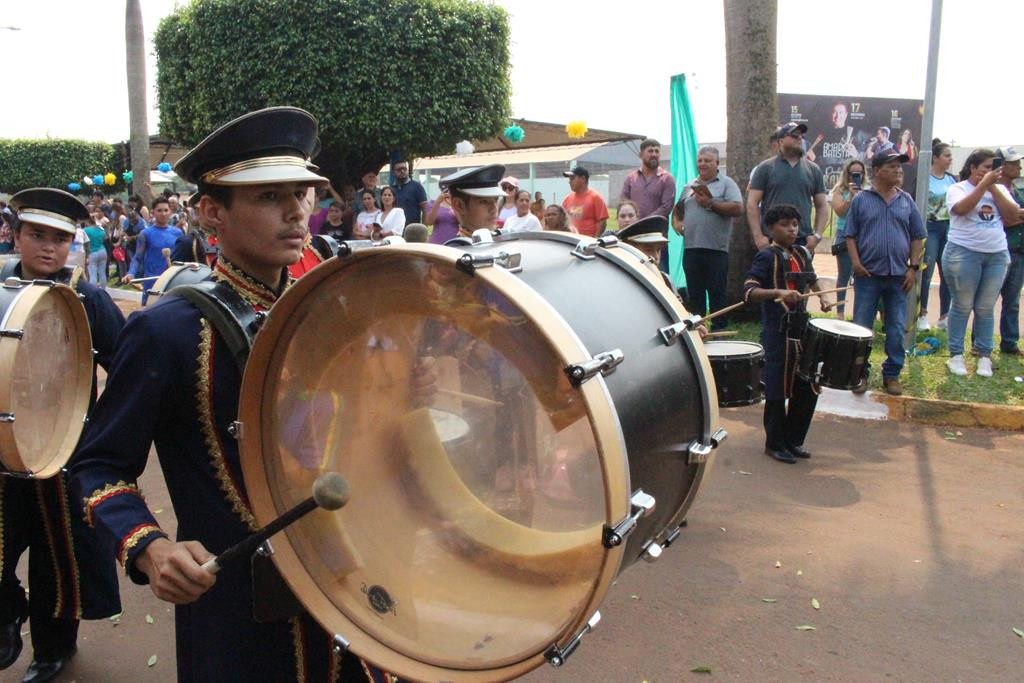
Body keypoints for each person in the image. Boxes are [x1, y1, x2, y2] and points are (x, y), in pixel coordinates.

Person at [69, 106, 399, 682]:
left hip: (354, 579)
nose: (297, 211)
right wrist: (150, 547)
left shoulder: (332, 312)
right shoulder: (166, 331)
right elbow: (98, 466)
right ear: (211, 211)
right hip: (241, 619)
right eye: (270, 196)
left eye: (302, 193)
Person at [1, 188, 123, 683]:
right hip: (2, 448)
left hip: (63, 452)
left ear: (74, 243)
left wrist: (98, 431)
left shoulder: (89, 299)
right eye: (37, 235)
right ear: (17, 235)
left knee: (59, 557)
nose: (48, 247)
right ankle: (9, 610)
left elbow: (125, 366)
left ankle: (53, 649)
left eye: (60, 239)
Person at [743, 204, 834, 464]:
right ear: (771, 229)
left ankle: (792, 440)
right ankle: (774, 443)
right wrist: (777, 293)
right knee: (777, 387)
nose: (792, 229)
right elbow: (749, 291)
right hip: (777, 331)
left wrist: (823, 297)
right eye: (785, 224)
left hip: (801, 328)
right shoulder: (766, 256)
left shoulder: (802, 253)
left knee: (805, 385)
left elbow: (812, 278)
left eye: (795, 224)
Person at [844, 150, 926, 395]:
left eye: (900, 167)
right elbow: (850, 235)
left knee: (895, 327)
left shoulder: (906, 201)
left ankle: (892, 374)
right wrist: (856, 264)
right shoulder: (861, 199)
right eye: (892, 167)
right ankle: (860, 373)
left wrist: (913, 269)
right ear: (877, 170)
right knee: (861, 327)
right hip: (867, 276)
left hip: (899, 278)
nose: (898, 171)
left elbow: (917, 237)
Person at [943, 149, 1016, 377]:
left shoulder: (1000, 189)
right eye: (985, 167)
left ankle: (984, 356)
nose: (989, 171)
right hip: (963, 254)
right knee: (962, 304)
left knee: (985, 307)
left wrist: (993, 187)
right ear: (973, 168)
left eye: (993, 168)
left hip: (996, 255)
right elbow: (961, 209)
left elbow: (1012, 216)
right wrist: (983, 186)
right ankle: (956, 355)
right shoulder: (957, 188)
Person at [673, 146, 743, 322]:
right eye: (700, 160)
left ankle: (719, 330)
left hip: (716, 250)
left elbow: (738, 208)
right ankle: (698, 330)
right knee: (694, 295)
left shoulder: (727, 184)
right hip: (691, 249)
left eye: (708, 161)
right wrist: (677, 222)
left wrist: (711, 203)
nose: (703, 164)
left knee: (717, 293)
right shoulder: (689, 186)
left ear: (717, 163)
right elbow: (678, 209)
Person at [747, 123, 828, 251]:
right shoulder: (765, 168)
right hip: (772, 240)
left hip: (802, 239)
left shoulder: (813, 169)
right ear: (781, 141)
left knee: (801, 271)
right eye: (794, 135)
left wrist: (816, 236)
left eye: (802, 135)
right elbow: (752, 203)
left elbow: (822, 205)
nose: (799, 138)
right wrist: (758, 237)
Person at [920, 139, 956, 331]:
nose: (950, 159)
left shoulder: (951, 179)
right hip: (930, 228)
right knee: (926, 273)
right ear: (935, 158)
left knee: (947, 274)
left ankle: (944, 316)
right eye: (947, 156)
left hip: (948, 228)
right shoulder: (925, 178)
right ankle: (922, 315)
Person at [123, 196, 184, 304]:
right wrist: (131, 273)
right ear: (153, 213)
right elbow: (137, 258)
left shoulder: (178, 233)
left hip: (173, 281)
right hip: (153, 282)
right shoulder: (145, 234)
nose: (163, 214)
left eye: (166, 210)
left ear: (170, 212)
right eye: (159, 210)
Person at [829, 158, 869, 320]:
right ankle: (840, 312)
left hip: (863, 236)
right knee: (844, 275)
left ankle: (860, 313)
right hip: (844, 235)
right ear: (847, 174)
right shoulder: (839, 190)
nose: (856, 177)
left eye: (859, 173)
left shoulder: (868, 190)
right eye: (853, 173)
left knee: (862, 276)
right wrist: (851, 197)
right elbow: (839, 211)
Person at [994, 146, 1024, 356]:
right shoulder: (993, 190)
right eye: (1013, 163)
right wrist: (1015, 215)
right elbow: (1005, 219)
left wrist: (1014, 216)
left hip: (1018, 250)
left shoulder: (1019, 191)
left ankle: (1009, 342)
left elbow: (1013, 217)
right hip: (997, 250)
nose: (1018, 167)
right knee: (986, 301)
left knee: (1012, 301)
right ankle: (980, 342)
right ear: (1002, 166)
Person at [439, 164, 504, 243]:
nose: (494, 209)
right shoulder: (457, 251)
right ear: (459, 205)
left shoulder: (501, 241)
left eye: (496, 200)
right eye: (484, 201)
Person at [619, 138, 676, 219]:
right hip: (633, 229)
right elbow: (624, 202)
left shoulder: (667, 179)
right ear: (641, 155)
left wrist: (644, 222)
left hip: (656, 229)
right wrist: (632, 220)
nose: (654, 154)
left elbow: (666, 207)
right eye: (650, 151)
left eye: (657, 151)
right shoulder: (630, 178)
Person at [561, 166, 608, 237]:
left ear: (583, 178)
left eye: (572, 178)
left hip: (588, 242)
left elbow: (603, 222)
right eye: (569, 179)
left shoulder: (595, 197)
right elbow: (563, 221)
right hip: (571, 241)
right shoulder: (567, 199)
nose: (569, 182)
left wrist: (595, 240)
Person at [390, 159, 428, 224]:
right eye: (399, 170)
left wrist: (423, 228)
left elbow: (425, 209)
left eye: (404, 169)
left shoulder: (417, 186)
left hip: (413, 229)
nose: (402, 171)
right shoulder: (390, 189)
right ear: (393, 172)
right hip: (394, 229)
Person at [84, 209, 108, 287]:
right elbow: (105, 238)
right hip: (102, 251)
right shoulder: (101, 229)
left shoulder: (85, 230)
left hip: (92, 253)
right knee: (102, 273)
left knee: (93, 274)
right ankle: (103, 290)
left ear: (88, 221)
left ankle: (93, 292)